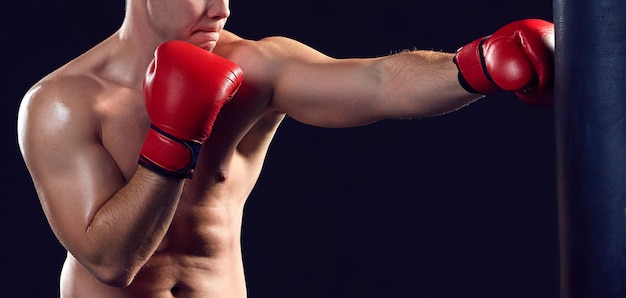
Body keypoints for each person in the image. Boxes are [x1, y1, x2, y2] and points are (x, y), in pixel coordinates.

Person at [16, 0, 554, 296]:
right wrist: (175, 136)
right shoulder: (63, 102)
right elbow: (112, 262)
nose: (220, 7)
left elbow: (380, 83)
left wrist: (475, 66)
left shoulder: (252, 68)